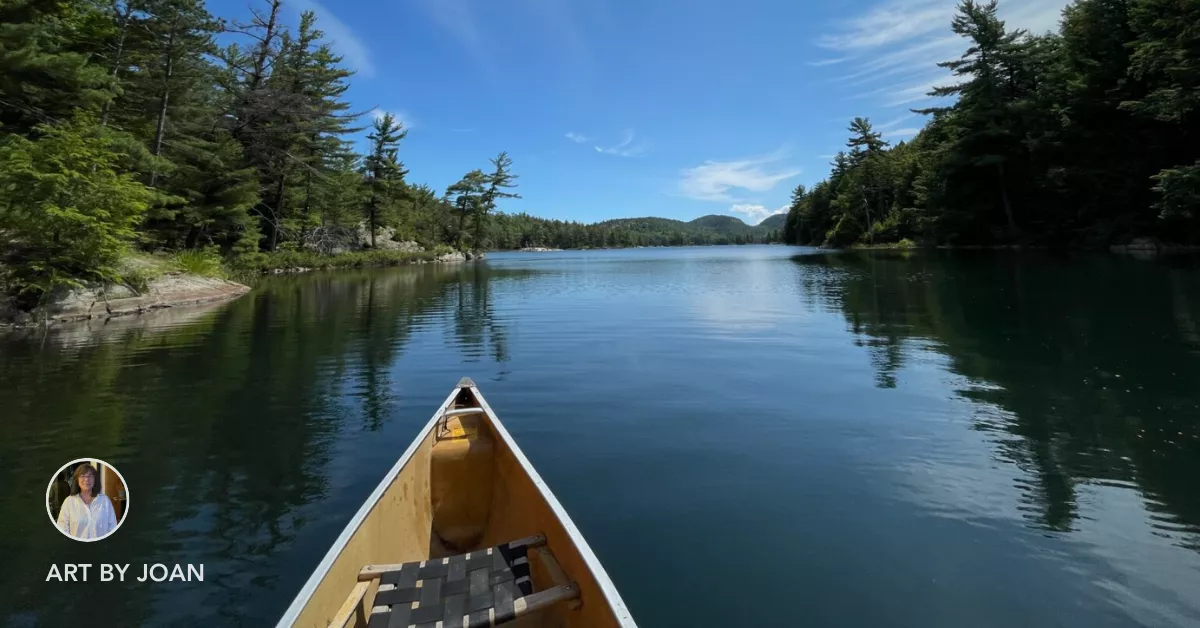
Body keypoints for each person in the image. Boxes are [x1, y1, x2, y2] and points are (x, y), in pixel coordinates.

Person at [56, 464, 118, 540]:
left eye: (90, 476)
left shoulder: (105, 501)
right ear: (77, 480)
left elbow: (112, 527)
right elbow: (62, 529)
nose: (86, 479)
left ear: (95, 479)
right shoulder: (69, 502)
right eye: (82, 476)